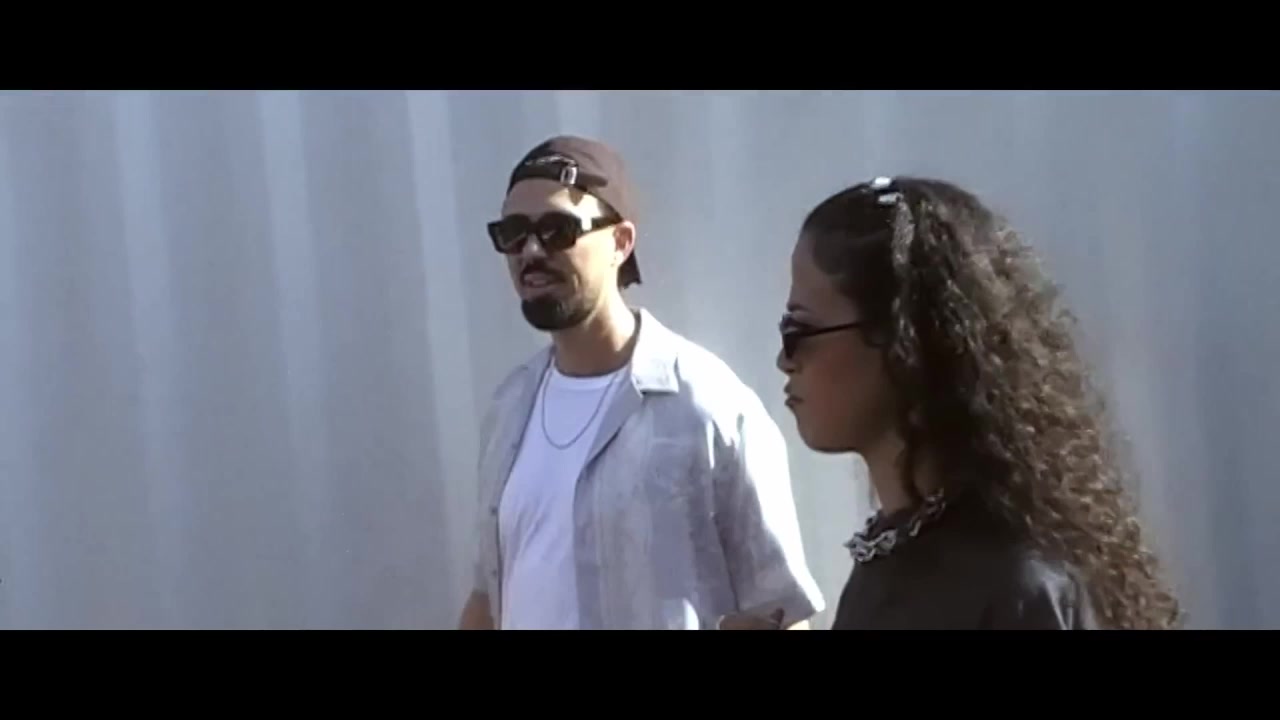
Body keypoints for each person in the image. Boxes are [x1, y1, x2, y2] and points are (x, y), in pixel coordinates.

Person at [769, 175, 1181, 630]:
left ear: (903, 340)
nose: (785, 361)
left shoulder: (1015, 586)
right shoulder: (895, 550)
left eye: (798, 331)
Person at [456, 135, 824, 630]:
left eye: (558, 229)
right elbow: (489, 597)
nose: (531, 250)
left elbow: (778, 613)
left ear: (620, 242)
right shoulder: (510, 409)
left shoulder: (707, 406)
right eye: (514, 233)